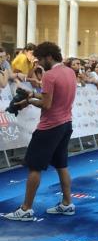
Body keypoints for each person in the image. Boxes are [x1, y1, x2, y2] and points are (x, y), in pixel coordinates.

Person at [4, 42, 77, 221]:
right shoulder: (69, 72)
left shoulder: (50, 75)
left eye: (40, 59)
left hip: (49, 127)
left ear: (49, 57)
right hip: (66, 124)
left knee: (34, 167)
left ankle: (26, 209)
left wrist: (29, 102)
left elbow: (46, 104)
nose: (38, 64)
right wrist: (31, 96)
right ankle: (67, 204)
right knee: (62, 165)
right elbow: (52, 97)